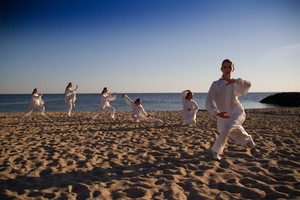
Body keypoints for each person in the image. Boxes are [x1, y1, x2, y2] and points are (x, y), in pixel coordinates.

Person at [205, 59, 256, 161]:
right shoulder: (216, 84)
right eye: (225, 67)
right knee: (234, 130)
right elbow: (208, 100)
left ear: (233, 69)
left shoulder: (235, 83)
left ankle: (216, 151)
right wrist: (216, 113)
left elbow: (248, 84)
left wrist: (235, 81)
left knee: (229, 127)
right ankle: (248, 140)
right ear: (221, 69)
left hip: (237, 111)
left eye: (229, 67)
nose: (227, 69)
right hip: (223, 114)